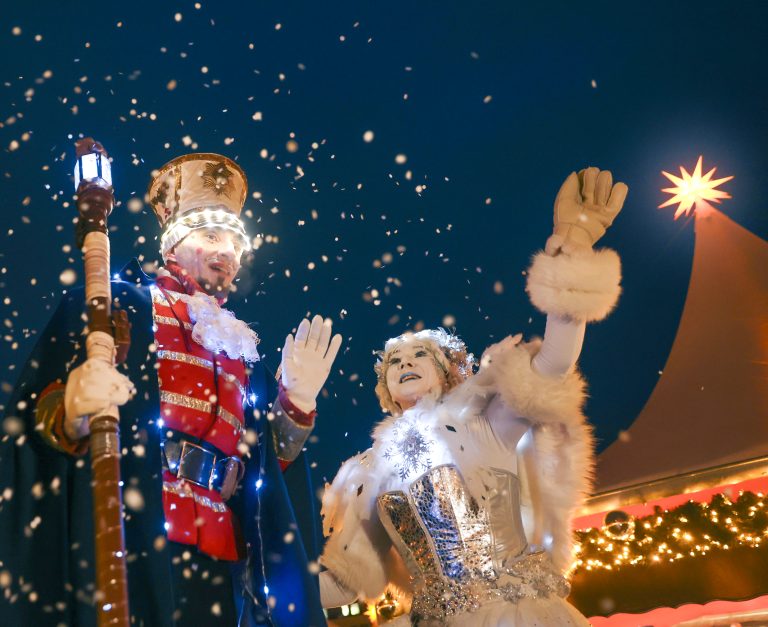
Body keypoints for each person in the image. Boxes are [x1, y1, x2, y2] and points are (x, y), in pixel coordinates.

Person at [0, 153, 340, 626]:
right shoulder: (116, 307)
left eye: (236, 242)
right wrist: (71, 409)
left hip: (222, 547)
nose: (228, 250)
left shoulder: (243, 348)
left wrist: (296, 404)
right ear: (173, 245)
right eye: (211, 235)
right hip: (136, 525)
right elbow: (39, 416)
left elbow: (267, 467)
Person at [318, 167, 627, 625]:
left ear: (447, 373)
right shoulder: (366, 472)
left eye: (418, 355)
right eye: (394, 362)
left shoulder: (482, 423)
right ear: (385, 388)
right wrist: (247, 575)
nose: (404, 364)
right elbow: (345, 579)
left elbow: (555, 362)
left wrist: (573, 247)